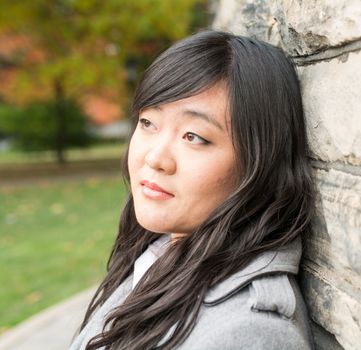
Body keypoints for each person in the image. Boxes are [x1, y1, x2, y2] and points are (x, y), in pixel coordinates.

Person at [70, 30, 316, 350]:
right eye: (148, 123)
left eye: (193, 136)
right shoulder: (159, 253)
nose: (156, 158)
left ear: (260, 161)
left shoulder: (249, 334)